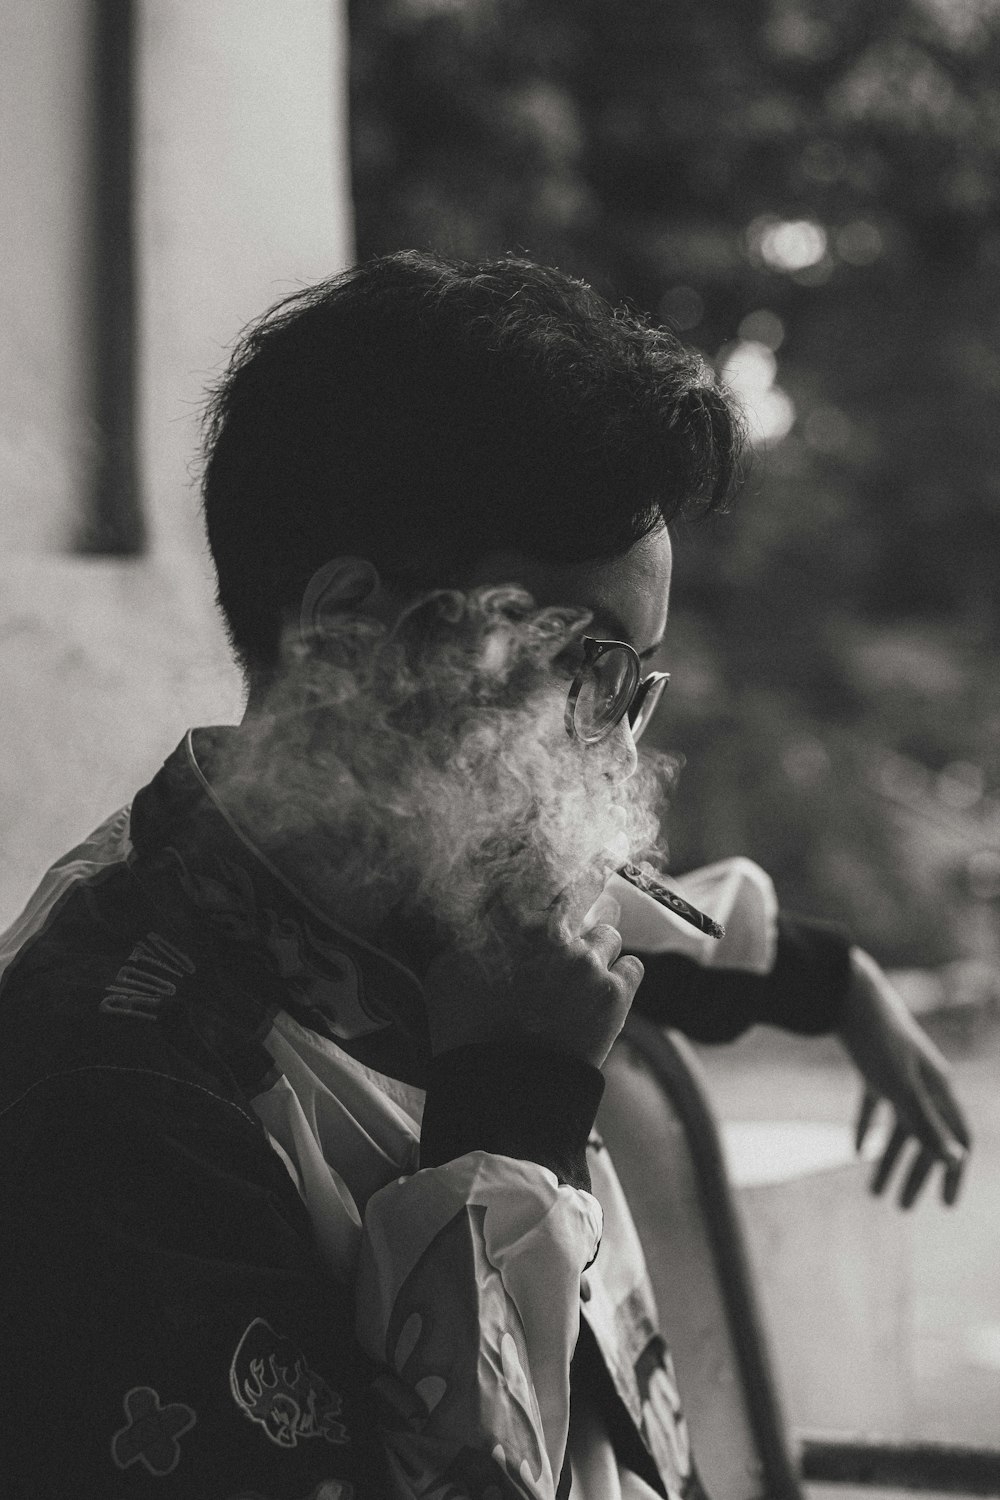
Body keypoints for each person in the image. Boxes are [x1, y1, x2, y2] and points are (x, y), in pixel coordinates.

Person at [0, 252, 969, 1500]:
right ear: (352, 630)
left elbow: (672, 933)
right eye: (582, 664)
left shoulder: (434, 904)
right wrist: (512, 1111)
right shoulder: (115, 1101)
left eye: (636, 684)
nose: (613, 755)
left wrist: (834, 985)